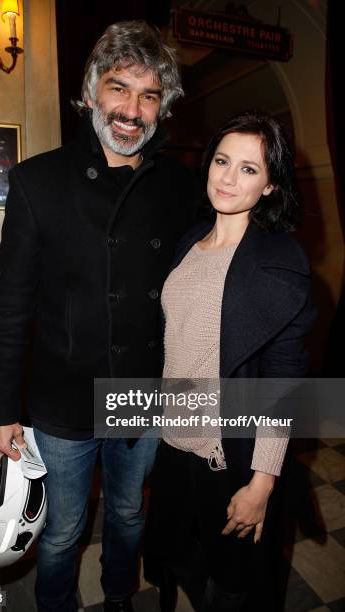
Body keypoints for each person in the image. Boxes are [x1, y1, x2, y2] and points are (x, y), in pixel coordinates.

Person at [0, 21, 198, 612]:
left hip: (143, 396)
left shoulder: (181, 186)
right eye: (119, 88)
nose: (132, 109)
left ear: (163, 107)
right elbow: (8, 308)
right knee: (61, 533)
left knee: (128, 514)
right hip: (63, 401)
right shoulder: (36, 181)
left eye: (149, 95)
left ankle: (121, 597)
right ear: (91, 93)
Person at [144, 110, 316, 611]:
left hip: (231, 457)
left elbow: (283, 385)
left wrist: (262, 482)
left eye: (248, 168)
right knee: (181, 562)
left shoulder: (279, 267)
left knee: (233, 589)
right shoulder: (188, 244)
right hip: (175, 447)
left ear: (269, 185)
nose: (228, 177)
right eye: (222, 161)